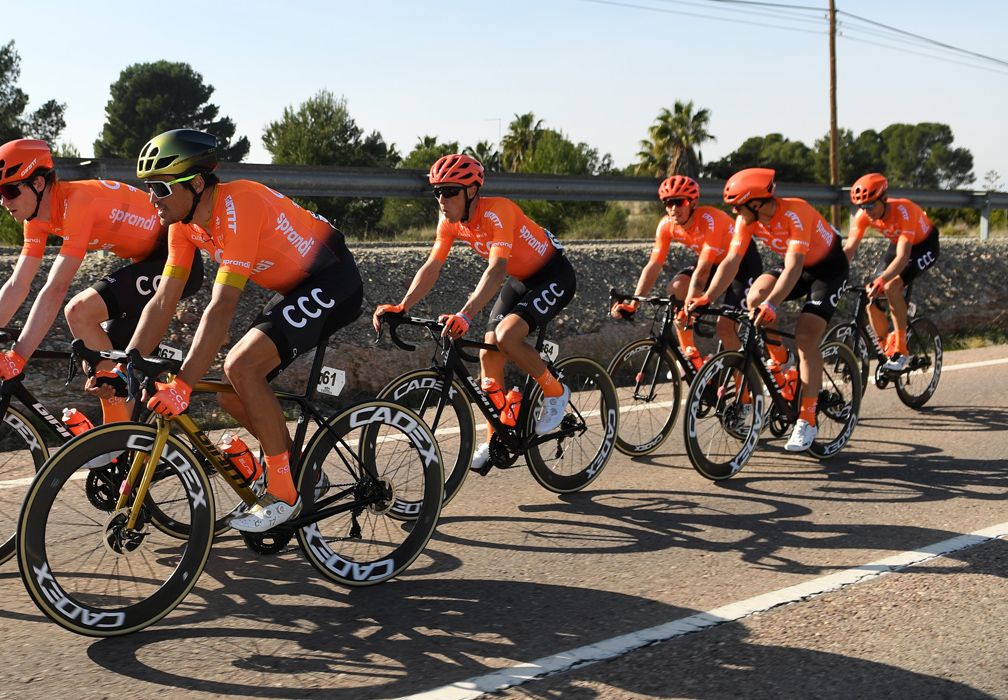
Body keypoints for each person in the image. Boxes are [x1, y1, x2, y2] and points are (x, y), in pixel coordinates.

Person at [126, 128, 363, 533]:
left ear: (196, 183)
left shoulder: (240, 205)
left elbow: (221, 307)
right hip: (294, 289)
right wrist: (126, 362)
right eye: (148, 188)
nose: (152, 199)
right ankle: (306, 474)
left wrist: (182, 385)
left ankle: (286, 493)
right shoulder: (182, 226)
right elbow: (164, 301)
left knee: (242, 366)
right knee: (233, 396)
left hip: (334, 280)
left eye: (161, 188)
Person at [0, 138, 204, 424]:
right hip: (146, 264)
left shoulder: (77, 202)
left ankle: (125, 427)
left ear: (38, 184)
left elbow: (55, 289)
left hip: (176, 262)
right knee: (104, 363)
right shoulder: (36, 218)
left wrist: (18, 356)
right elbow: (19, 283)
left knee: (80, 312)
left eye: (9, 190)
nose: (4, 202)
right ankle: (124, 441)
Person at [372, 154, 576, 472]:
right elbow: (433, 265)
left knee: (508, 336)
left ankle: (554, 389)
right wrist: (403, 305)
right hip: (522, 281)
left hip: (553, 275)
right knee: (489, 354)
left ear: (471, 191)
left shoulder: (498, 212)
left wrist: (465, 314)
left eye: (450, 191)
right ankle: (497, 435)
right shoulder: (449, 222)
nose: (442, 199)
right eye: (437, 191)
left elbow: (496, 269)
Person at [691, 168, 849, 452]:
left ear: (756, 203)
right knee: (755, 297)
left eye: (738, 206)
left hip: (827, 272)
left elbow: (794, 267)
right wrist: (708, 297)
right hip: (794, 267)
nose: (735, 212)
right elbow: (731, 262)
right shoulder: (746, 220)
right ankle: (781, 359)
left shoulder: (795, 213)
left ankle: (808, 418)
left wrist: (773, 305)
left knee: (806, 337)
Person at [612, 175, 762, 365]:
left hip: (743, 263)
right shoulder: (666, 225)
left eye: (679, 202)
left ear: (693, 203)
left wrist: (689, 307)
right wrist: (634, 303)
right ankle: (690, 355)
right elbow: (653, 265)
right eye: (668, 203)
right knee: (676, 288)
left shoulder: (710, 220)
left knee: (725, 328)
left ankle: (761, 377)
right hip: (713, 261)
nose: (674, 208)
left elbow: (703, 271)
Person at [843, 173, 940, 371]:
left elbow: (904, 257)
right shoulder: (863, 216)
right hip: (897, 244)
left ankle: (902, 351)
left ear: (884, 199)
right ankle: (888, 345)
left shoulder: (905, 211)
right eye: (862, 206)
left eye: (871, 205)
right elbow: (849, 250)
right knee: (871, 297)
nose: (866, 211)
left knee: (891, 286)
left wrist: (882, 280)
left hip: (924, 245)